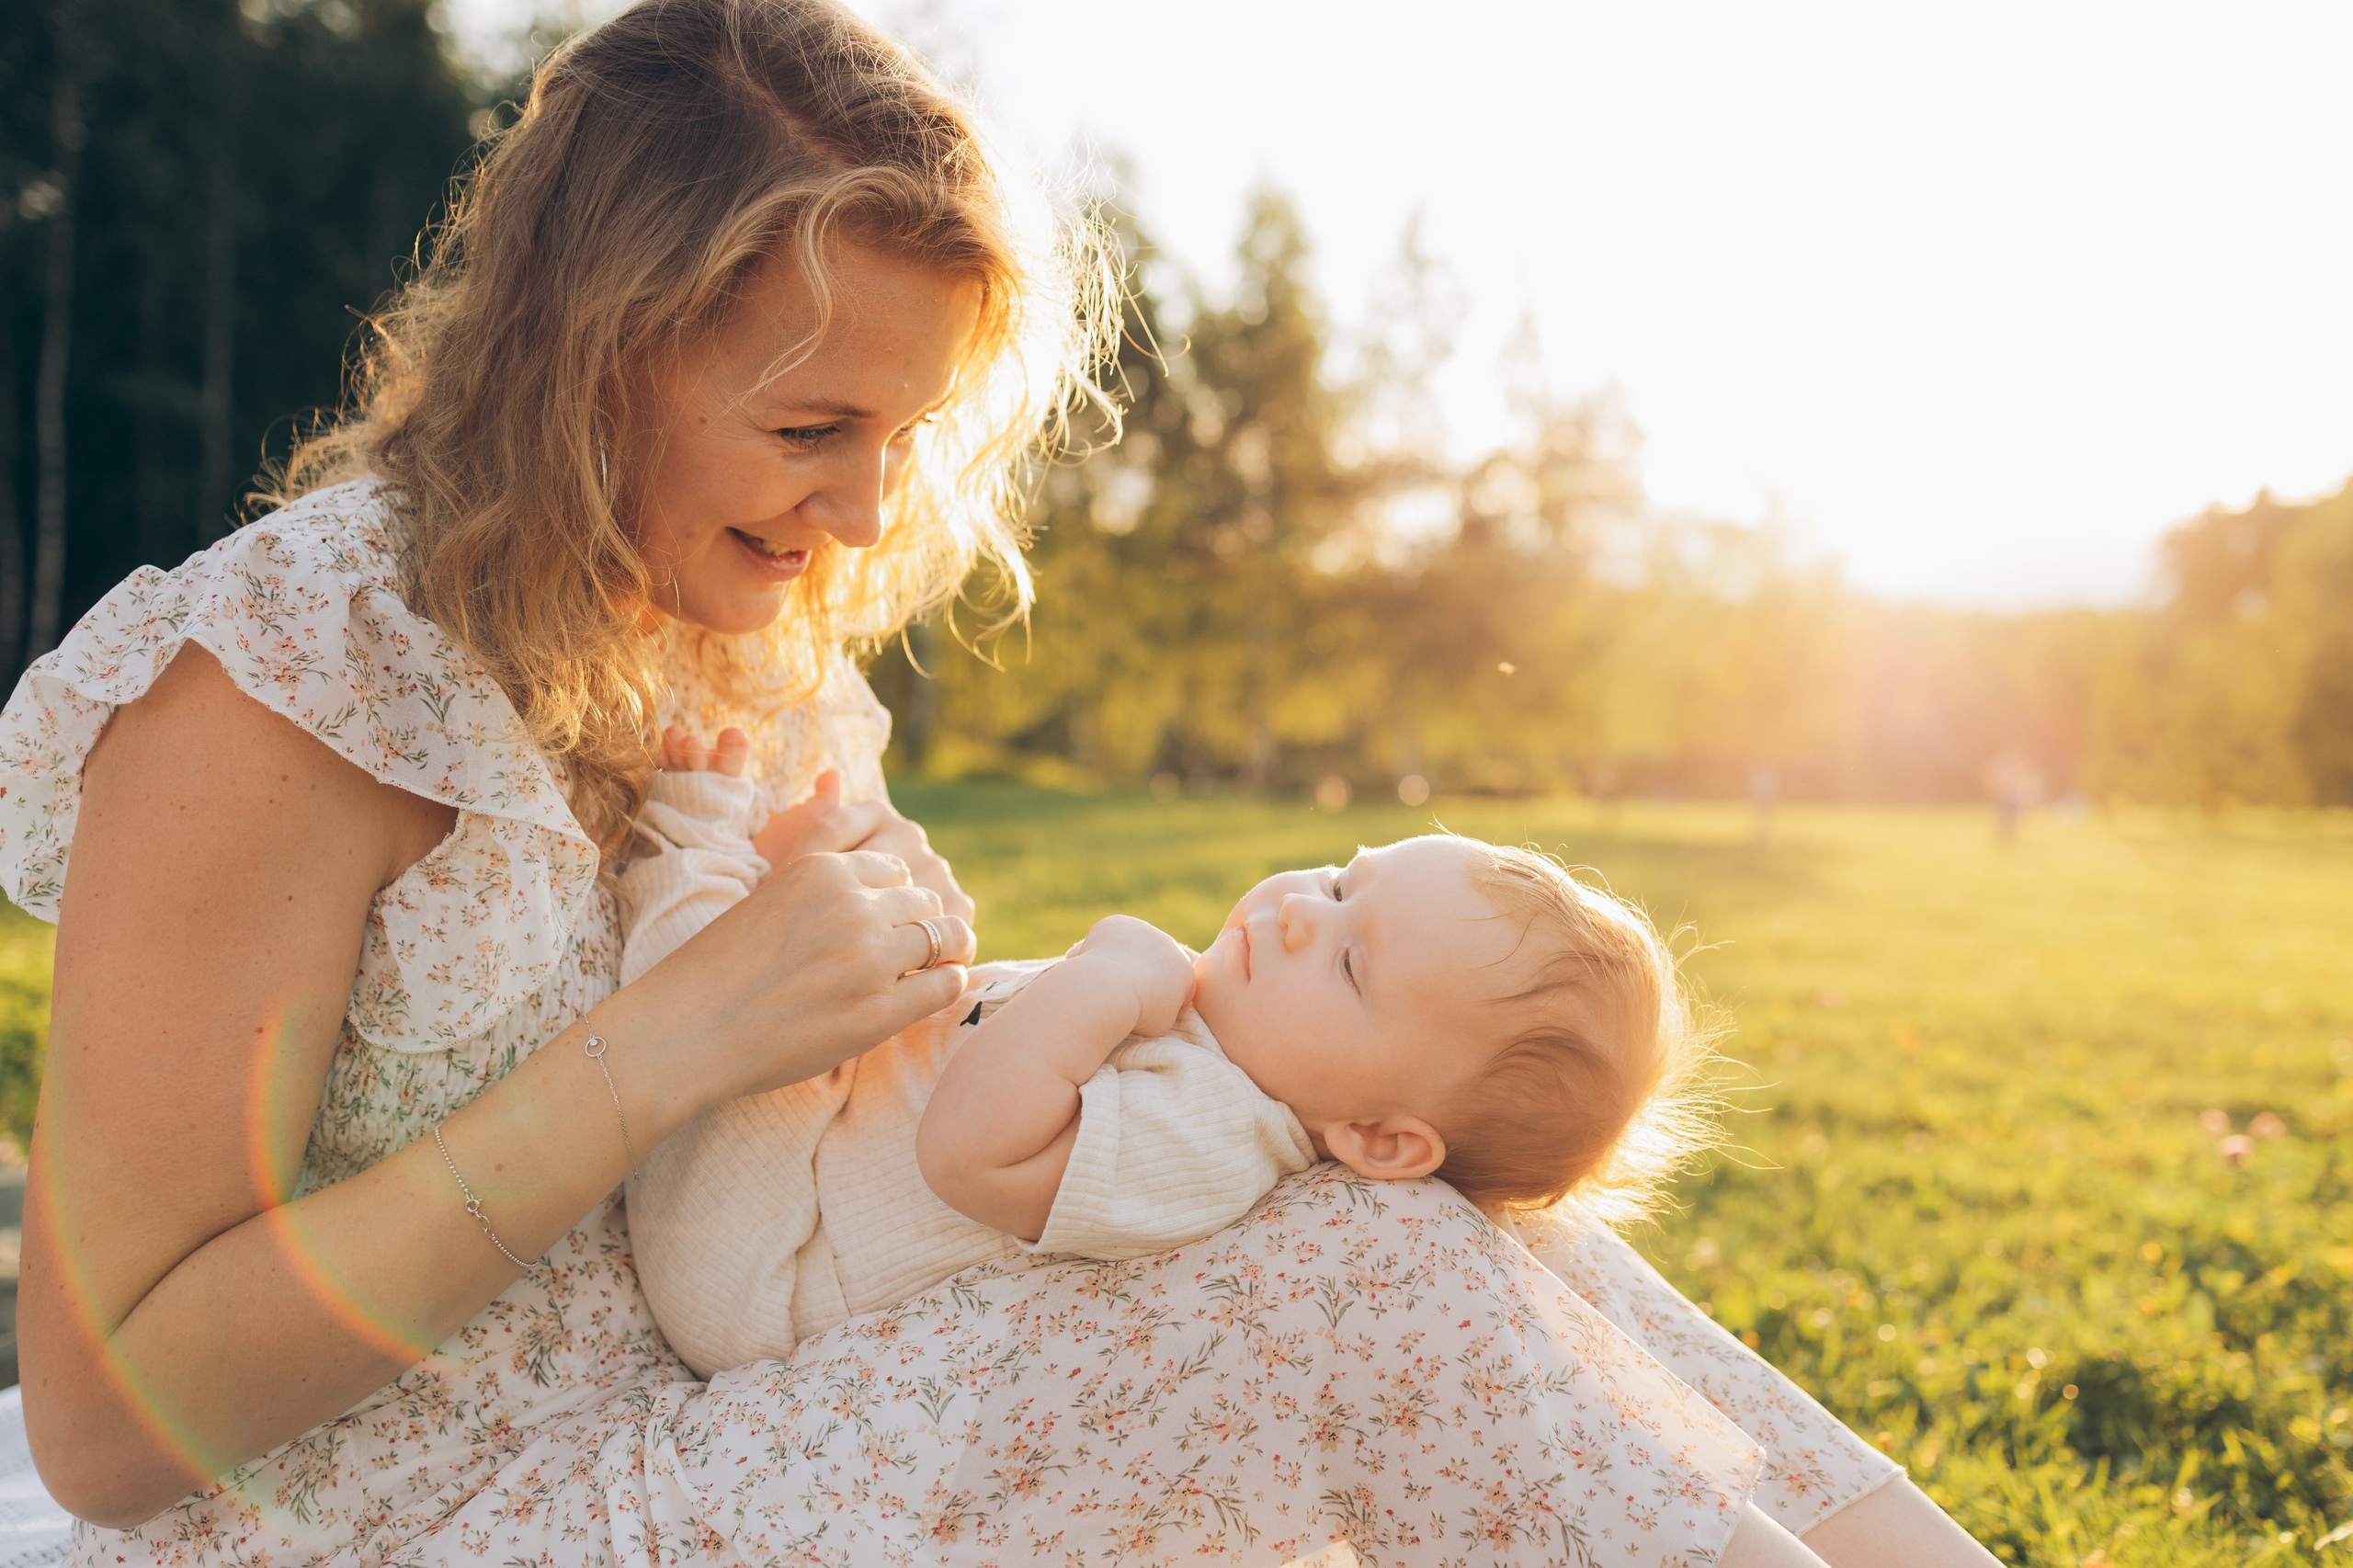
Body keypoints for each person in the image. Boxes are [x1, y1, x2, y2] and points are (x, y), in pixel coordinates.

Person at [0, 1, 1998, 1562]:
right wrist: (662, 1049)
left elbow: (863, 1119)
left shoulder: (736, 630)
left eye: (905, 433)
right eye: (814, 426)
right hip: (405, 1526)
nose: (871, 511)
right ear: (592, 353)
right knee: (1347, 1268)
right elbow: (102, 1425)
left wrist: (929, 999)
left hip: (744, 1402)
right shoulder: (283, 688)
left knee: (1421, 1197)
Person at [618, 731, 1711, 1379]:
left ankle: (683, 845)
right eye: (1341, 880)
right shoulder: (1218, 1031)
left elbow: (968, 1150)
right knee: (800, 999)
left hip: (769, 1266)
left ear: (1378, 1137)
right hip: (833, 1159)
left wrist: (1100, 976)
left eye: (1349, 963)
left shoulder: (1208, 1139)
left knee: (726, 1018)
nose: (1299, 911)